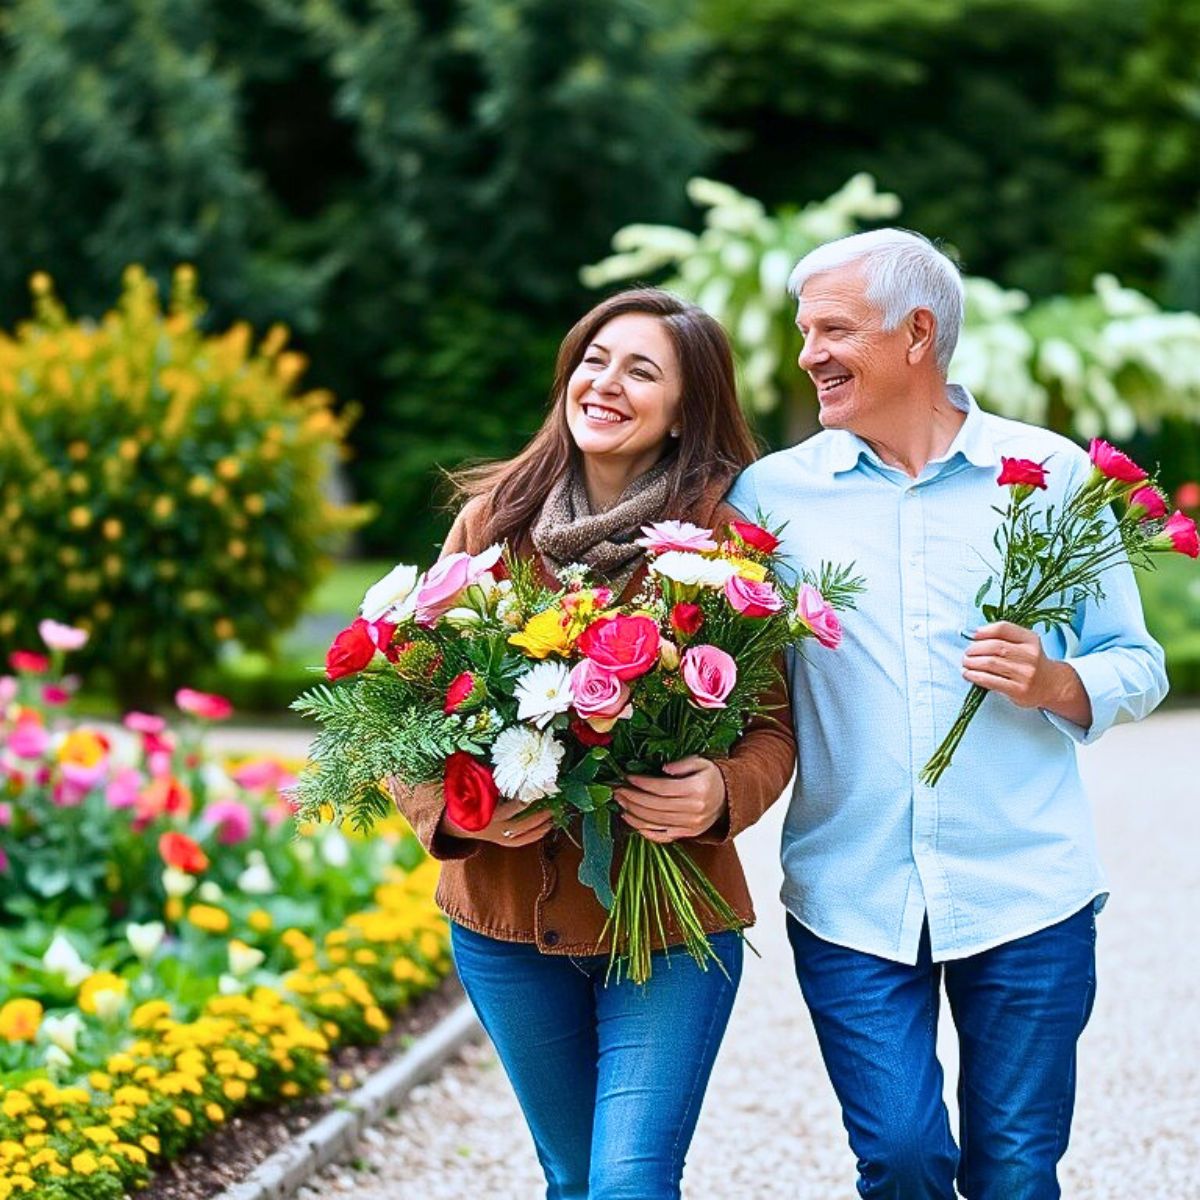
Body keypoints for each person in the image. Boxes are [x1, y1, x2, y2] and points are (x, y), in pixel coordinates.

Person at [728, 229, 1168, 1200]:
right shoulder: (771, 498)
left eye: (832, 330)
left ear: (916, 332)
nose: (808, 355)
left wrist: (1057, 680)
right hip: (849, 897)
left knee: (1015, 1172)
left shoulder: (1052, 474)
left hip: (1027, 893)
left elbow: (1138, 662)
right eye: (805, 332)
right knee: (902, 1158)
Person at [392, 287, 796, 1200]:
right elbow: (399, 714)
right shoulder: (493, 525)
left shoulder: (725, 547)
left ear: (687, 409)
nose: (605, 384)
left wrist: (720, 794)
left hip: (668, 918)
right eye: (594, 359)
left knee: (627, 1182)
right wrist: (462, 821)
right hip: (506, 918)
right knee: (573, 1176)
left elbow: (772, 729)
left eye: (641, 370)